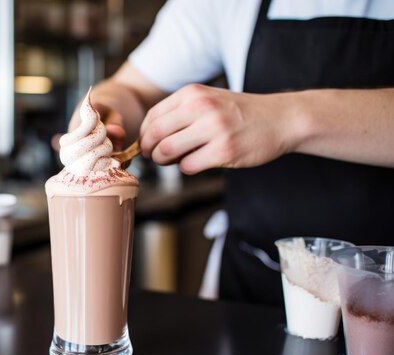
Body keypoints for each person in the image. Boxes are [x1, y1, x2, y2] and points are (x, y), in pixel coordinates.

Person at [63, 0, 394, 306]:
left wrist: (286, 118)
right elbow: (130, 88)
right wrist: (103, 113)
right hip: (253, 284)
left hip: (385, 295)